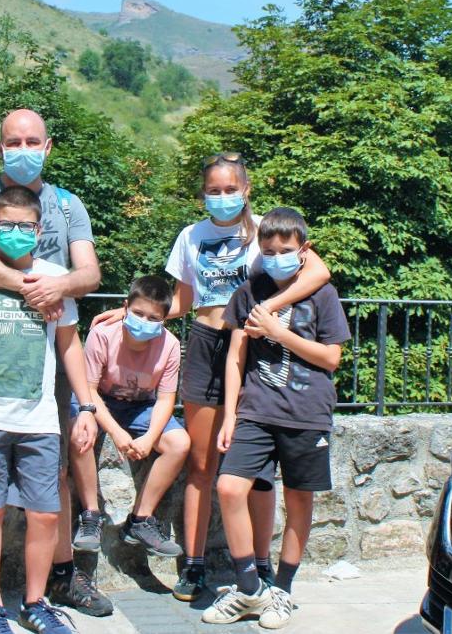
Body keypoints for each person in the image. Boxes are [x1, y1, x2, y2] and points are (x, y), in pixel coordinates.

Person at [92, 152, 332, 601]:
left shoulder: (266, 231)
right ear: (203, 194)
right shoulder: (191, 236)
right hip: (205, 344)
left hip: (255, 345)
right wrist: (129, 315)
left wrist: (272, 311)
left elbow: (318, 271)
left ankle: (260, 565)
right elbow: (182, 301)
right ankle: (194, 564)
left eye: (230, 189)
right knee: (201, 465)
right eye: (213, 191)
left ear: (246, 188)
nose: (222, 198)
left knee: (257, 470)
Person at [0, 108, 111, 621]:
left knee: (53, 481)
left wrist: (57, 287)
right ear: (0, 145)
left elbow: (89, 271)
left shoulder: (69, 204)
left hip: (47, 357)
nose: (24, 148)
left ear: (48, 146)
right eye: (14, 140)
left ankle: (60, 579)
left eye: (33, 140)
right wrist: (33, 289)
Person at [202, 207, 350, 628]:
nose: (276, 256)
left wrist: (280, 333)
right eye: (268, 250)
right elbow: (234, 358)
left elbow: (331, 357)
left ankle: (282, 591)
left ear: (303, 250)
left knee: (299, 500)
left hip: (307, 413)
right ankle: (249, 589)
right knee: (230, 488)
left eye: (285, 249)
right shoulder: (249, 292)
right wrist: (229, 416)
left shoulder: (323, 294)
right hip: (256, 410)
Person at [69, 275, 190, 559]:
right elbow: (88, 388)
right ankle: (90, 515)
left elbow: (165, 398)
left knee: (180, 444)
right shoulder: (103, 334)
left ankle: (140, 519)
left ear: (164, 319)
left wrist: (149, 437)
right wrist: (115, 431)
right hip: (98, 398)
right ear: (125, 308)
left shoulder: (169, 345)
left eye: (153, 318)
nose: (144, 322)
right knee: (80, 431)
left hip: (140, 407)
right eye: (138, 314)